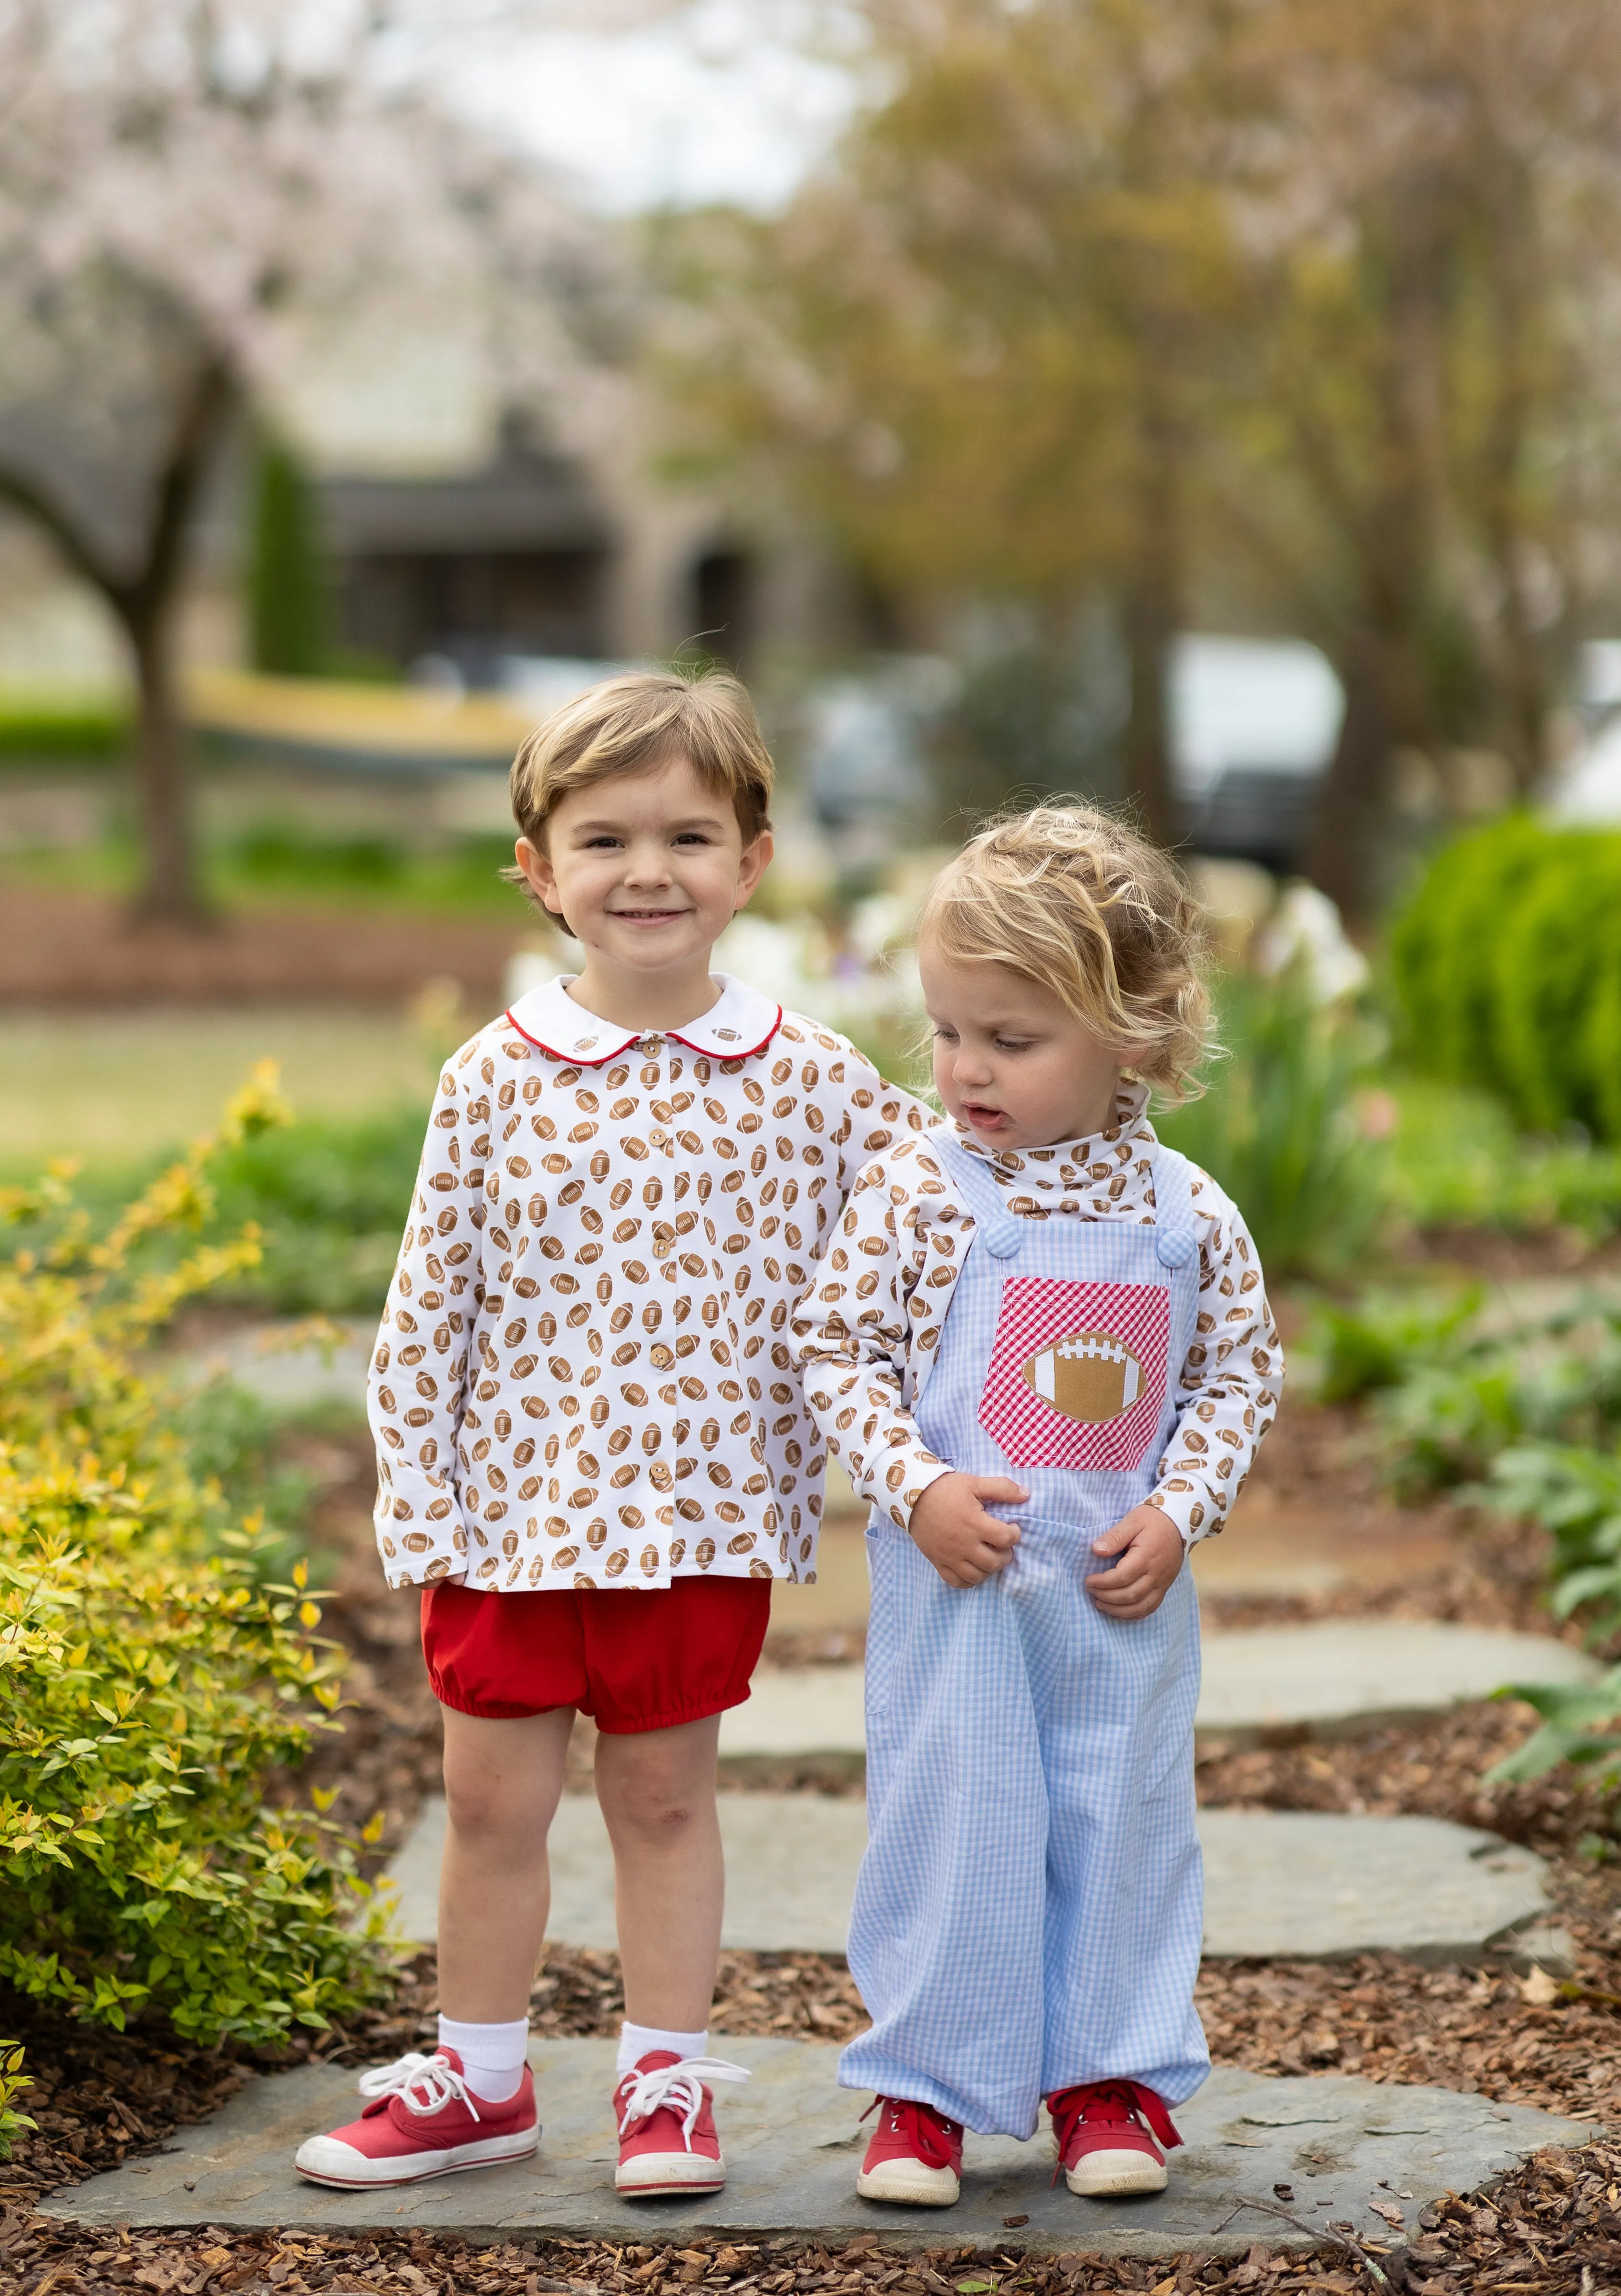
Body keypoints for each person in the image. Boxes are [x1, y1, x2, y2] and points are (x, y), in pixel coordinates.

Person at [293, 670, 925, 2196]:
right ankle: (482, 2077)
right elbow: (425, 1306)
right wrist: (417, 1500)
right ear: (539, 869)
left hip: (700, 1517)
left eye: (690, 835)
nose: (649, 869)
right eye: (605, 838)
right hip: (513, 1515)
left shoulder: (817, 1082)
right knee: (494, 1798)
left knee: (662, 1798)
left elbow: (934, 1222)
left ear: (753, 862)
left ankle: (662, 2082)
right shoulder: (494, 1078)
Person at [793, 805, 1284, 2208]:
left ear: (1132, 1031)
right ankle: (924, 2093)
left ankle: (1107, 2077)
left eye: (1011, 1040)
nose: (964, 1069)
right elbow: (838, 1348)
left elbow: (1235, 1371)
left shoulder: (1187, 1214)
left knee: (1118, 1814)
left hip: (1118, 1594)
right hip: (958, 1591)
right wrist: (919, 1485)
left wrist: (1180, 1510)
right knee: (954, 1816)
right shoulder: (918, 1192)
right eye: (949, 1031)